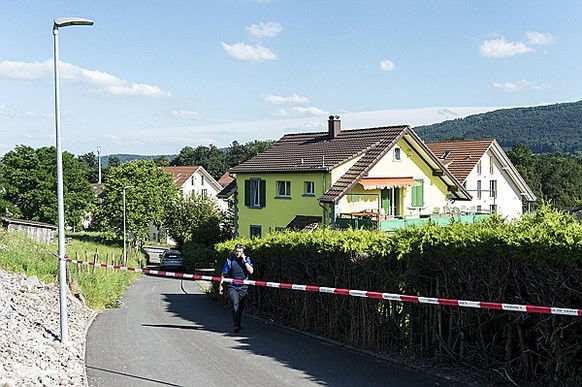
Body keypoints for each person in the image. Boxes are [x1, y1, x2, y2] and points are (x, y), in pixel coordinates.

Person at [219, 244, 254, 333]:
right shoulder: (230, 260)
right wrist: (221, 285)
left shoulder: (247, 260)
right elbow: (223, 274)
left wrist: (245, 260)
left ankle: (238, 324)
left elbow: (251, 271)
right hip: (232, 286)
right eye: (236, 251)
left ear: (242, 252)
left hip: (243, 287)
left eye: (240, 252)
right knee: (235, 305)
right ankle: (236, 326)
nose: (238, 253)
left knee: (240, 307)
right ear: (234, 251)